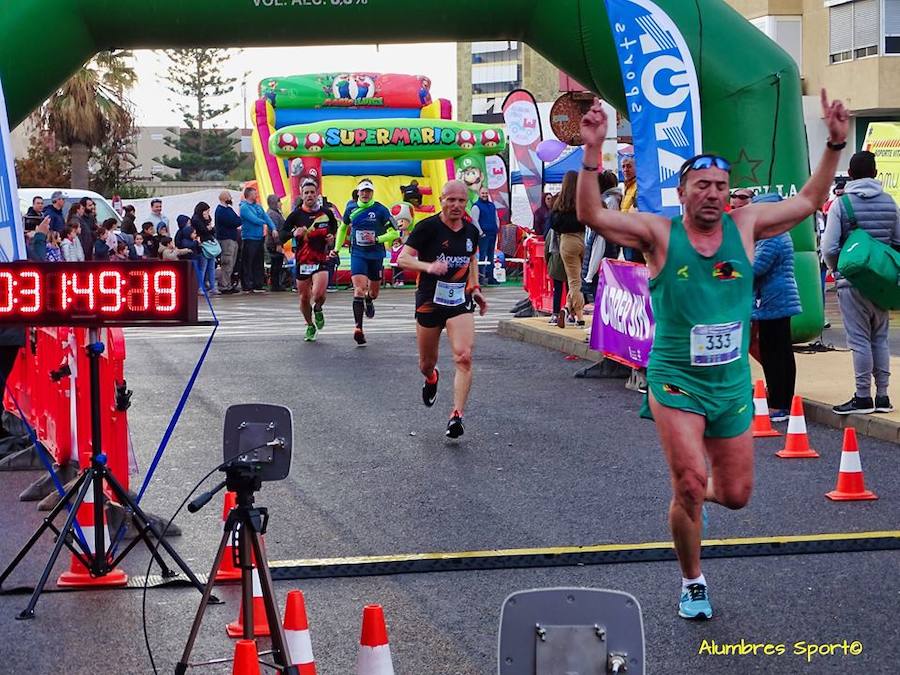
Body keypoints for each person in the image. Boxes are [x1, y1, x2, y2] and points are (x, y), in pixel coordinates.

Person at [576, 90, 849, 620]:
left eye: (721, 187)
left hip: (730, 386)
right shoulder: (659, 233)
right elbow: (591, 214)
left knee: (738, 494)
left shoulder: (745, 228)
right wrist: (593, 151)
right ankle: (693, 578)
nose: (713, 195)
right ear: (682, 193)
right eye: (702, 185)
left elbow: (809, 201)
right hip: (676, 378)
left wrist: (836, 143)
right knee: (689, 480)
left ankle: (687, 504)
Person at [397, 180, 488, 438]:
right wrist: (428, 267)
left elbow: (471, 259)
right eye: (451, 200)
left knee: (464, 356)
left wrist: (475, 287)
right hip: (429, 301)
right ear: (441, 200)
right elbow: (403, 258)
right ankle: (431, 378)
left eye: (461, 200)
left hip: (459, 302)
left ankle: (456, 415)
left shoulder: (471, 231)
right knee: (426, 363)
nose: (457, 205)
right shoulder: (427, 228)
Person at [822, 150, 900, 415]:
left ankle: (862, 396)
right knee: (879, 337)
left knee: (859, 339)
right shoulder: (890, 203)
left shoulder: (841, 205)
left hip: (851, 282)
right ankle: (883, 396)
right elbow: (898, 243)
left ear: (851, 175)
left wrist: (837, 270)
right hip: (882, 284)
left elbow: (829, 246)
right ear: (876, 174)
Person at [749, 193, 802, 422]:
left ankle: (781, 403)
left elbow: (756, 267)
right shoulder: (772, 234)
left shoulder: (772, 237)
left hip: (775, 299)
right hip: (773, 299)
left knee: (776, 352)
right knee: (775, 351)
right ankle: (780, 399)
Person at [335, 178, 398, 345]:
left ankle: (369, 300)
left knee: (373, 293)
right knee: (359, 289)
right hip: (358, 254)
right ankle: (358, 328)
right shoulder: (350, 208)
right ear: (358, 192)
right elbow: (342, 229)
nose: (365, 194)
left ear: (372, 193)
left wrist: (377, 238)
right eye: (362, 191)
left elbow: (395, 233)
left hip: (376, 255)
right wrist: (336, 248)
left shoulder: (381, 210)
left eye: (368, 191)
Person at [282, 178, 339, 342]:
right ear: (301, 194)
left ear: (317, 194)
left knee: (319, 294)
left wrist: (331, 237)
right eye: (306, 193)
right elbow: (282, 233)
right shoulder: (295, 215)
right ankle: (309, 325)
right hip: (302, 261)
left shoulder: (326, 213)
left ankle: (319, 308)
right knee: (304, 297)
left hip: (320, 258)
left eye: (312, 192)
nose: (309, 195)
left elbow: (334, 228)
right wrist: (293, 234)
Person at [550, 171, 586, 327]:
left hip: (567, 241)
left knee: (573, 280)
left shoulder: (559, 203)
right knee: (580, 279)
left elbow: (552, 224)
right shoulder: (582, 202)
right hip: (583, 238)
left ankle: (579, 315)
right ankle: (567, 308)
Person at [239, 187, 273, 294]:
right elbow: (253, 219)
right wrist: (264, 222)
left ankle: (258, 284)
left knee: (259, 262)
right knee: (248, 262)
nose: (256, 195)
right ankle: (247, 284)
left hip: (259, 237)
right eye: (254, 193)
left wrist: (273, 227)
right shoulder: (244, 207)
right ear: (248, 195)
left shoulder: (258, 207)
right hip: (249, 238)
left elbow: (266, 217)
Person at [472, 187, 500, 285]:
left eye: (486, 193)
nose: (484, 195)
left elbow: (496, 217)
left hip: (492, 233)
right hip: (483, 235)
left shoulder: (492, 205)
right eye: (483, 193)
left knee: (491, 256)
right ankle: (481, 277)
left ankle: (490, 277)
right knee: (482, 256)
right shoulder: (476, 206)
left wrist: (497, 228)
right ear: (479, 194)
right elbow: (474, 220)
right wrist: (481, 233)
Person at [215, 191, 241, 293]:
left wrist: (237, 220)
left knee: (232, 263)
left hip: (233, 239)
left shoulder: (228, 209)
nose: (231, 198)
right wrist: (237, 220)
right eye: (229, 196)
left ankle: (228, 284)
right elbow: (233, 222)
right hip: (226, 240)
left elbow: (238, 220)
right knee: (227, 262)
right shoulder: (220, 211)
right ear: (225, 198)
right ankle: (224, 285)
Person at [191, 201, 217, 294]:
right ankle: (200, 287)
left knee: (211, 267)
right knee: (203, 267)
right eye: (206, 211)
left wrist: (208, 224)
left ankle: (213, 286)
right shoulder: (196, 219)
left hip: (209, 243)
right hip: (202, 245)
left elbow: (212, 230)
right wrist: (207, 225)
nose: (208, 214)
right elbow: (204, 230)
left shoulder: (207, 219)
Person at [266, 195, 287, 291]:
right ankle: (275, 285)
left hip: (277, 241)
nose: (281, 203)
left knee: (278, 263)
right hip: (273, 243)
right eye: (279, 201)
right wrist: (278, 243)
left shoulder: (275, 213)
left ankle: (276, 284)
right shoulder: (272, 214)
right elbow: (273, 230)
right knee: (276, 264)